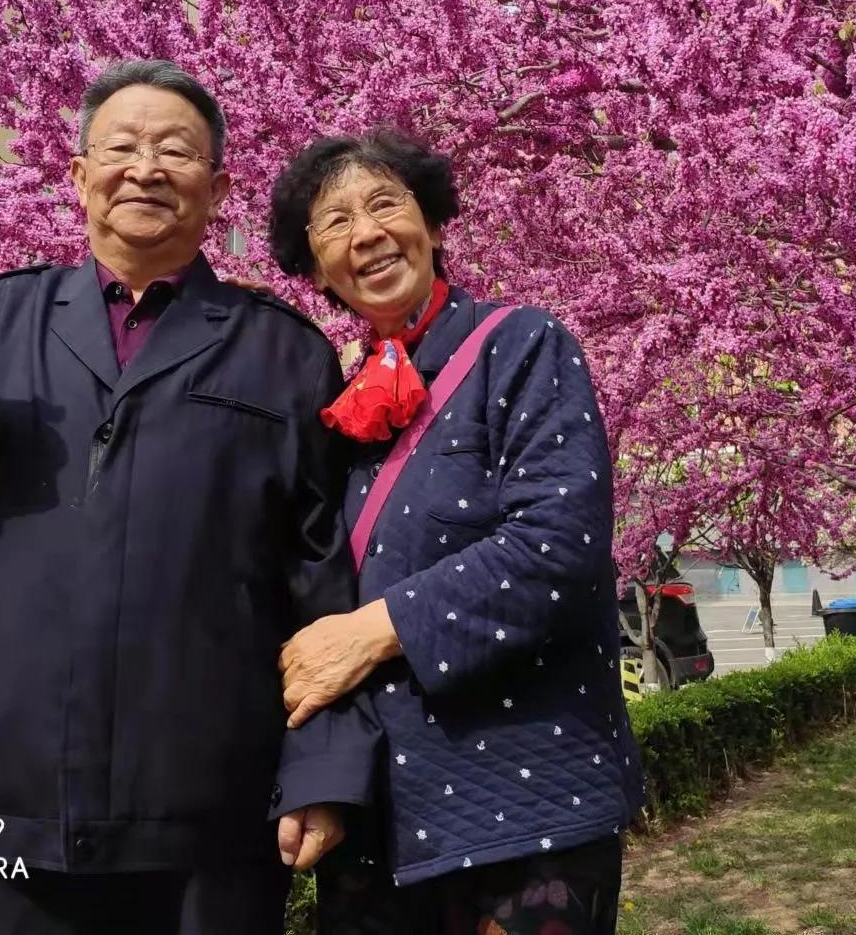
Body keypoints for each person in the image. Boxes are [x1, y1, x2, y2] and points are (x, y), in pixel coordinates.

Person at [0, 61, 377, 935]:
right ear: (78, 175)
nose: (146, 168)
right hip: (11, 798)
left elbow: (323, 585)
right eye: (121, 147)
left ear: (219, 186)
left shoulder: (281, 353)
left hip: (211, 807)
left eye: (175, 150)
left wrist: (324, 766)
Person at [267, 129, 644, 935]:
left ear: (433, 223)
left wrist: (378, 629)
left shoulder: (523, 345)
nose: (364, 232)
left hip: (528, 810)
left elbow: (557, 545)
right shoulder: (337, 411)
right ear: (316, 269)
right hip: (380, 826)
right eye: (333, 223)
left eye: (383, 203)